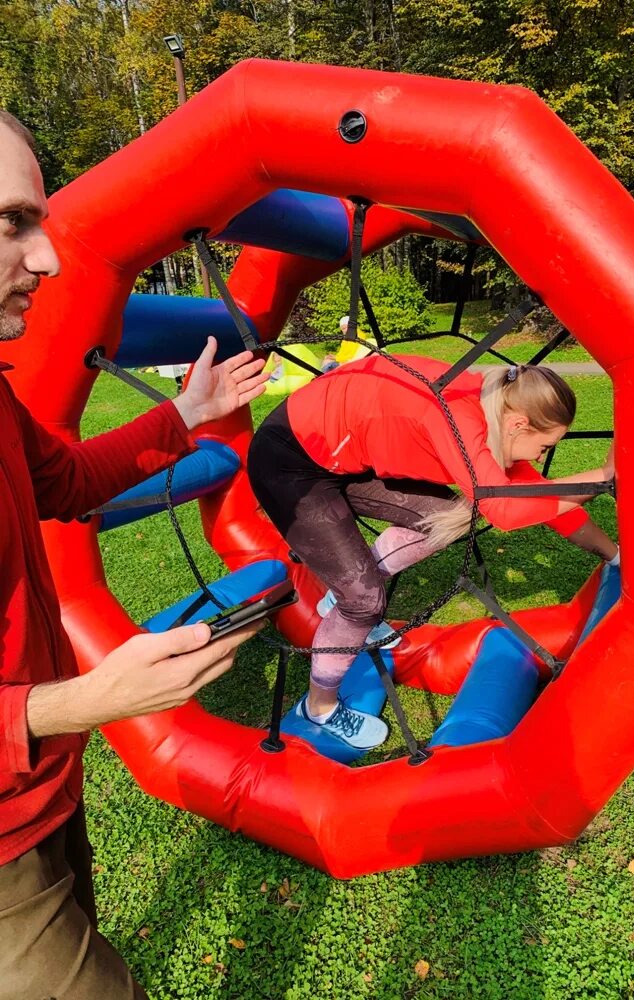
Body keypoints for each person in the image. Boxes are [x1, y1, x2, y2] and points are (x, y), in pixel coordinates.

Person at [0, 110, 270, 999]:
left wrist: (182, 416)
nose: (45, 259)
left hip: (39, 788)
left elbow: (66, 481)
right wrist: (83, 699)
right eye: (13, 224)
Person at [248, 353, 617, 752]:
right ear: (518, 423)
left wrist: (614, 555)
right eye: (544, 446)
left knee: (449, 515)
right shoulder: (459, 419)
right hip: (290, 462)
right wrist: (602, 478)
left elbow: (538, 498)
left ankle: (339, 598)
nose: (540, 457)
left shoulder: (494, 406)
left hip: (343, 456)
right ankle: (318, 707)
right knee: (365, 603)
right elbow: (505, 511)